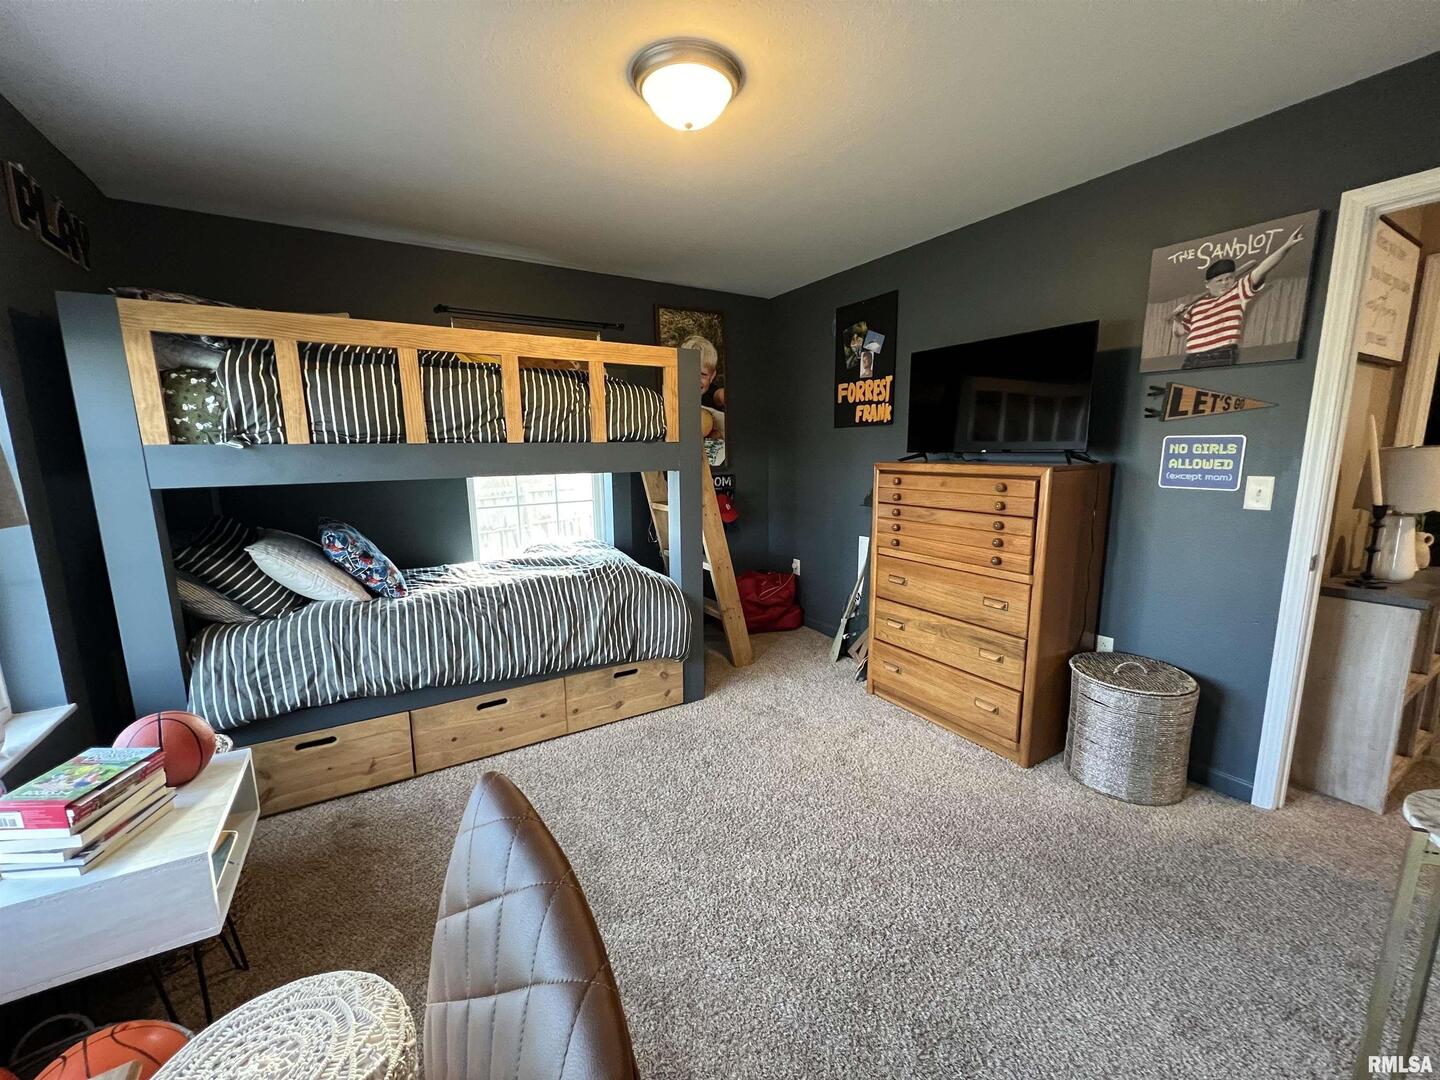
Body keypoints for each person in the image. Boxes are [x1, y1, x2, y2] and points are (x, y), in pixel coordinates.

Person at [1171, 225, 1306, 369]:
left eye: (1228, 278)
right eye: (1219, 280)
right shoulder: (1196, 306)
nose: (1225, 283)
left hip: (1221, 355)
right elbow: (1178, 332)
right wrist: (1177, 318)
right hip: (1192, 359)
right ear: (1207, 284)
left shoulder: (1237, 291)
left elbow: (1262, 269)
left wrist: (1286, 246)